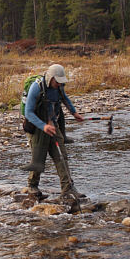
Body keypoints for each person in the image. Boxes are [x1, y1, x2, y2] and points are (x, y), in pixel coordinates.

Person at [22, 64, 84, 199]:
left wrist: (74, 113)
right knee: (39, 158)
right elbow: (28, 113)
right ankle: (32, 186)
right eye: (57, 81)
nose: (59, 84)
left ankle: (68, 188)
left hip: (53, 125)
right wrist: (43, 126)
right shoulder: (36, 87)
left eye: (61, 81)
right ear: (50, 78)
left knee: (62, 156)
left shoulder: (59, 87)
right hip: (37, 127)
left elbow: (65, 99)